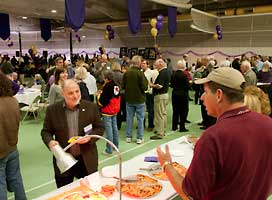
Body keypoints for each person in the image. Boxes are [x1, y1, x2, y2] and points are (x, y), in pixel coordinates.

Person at [157, 67, 272, 200]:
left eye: (205, 92)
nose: (201, 97)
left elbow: (190, 194)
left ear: (219, 95)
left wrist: (166, 165)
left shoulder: (214, 137)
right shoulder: (268, 123)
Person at [41, 79, 104, 188]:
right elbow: (46, 131)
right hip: (65, 159)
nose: (75, 96)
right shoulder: (53, 110)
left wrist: (89, 138)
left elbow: (100, 128)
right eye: (70, 93)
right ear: (62, 94)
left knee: (91, 191)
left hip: (86, 159)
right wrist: (50, 141)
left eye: (77, 91)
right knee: (64, 192)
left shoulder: (91, 107)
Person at [0, 72, 26, 200]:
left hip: (1, 151)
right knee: (16, 179)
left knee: (1, 183)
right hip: (12, 147)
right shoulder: (13, 101)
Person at [122, 55, 148, 144]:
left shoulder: (127, 73)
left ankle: (128, 137)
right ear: (139, 63)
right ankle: (139, 138)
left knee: (129, 118)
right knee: (140, 119)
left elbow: (123, 86)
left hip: (129, 99)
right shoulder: (140, 73)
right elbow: (144, 87)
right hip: (140, 99)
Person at [96, 70, 121, 155]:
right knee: (115, 128)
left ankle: (109, 149)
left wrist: (98, 96)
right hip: (115, 109)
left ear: (106, 78)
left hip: (107, 111)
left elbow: (103, 100)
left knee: (109, 130)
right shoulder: (116, 85)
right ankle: (115, 146)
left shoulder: (107, 86)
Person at [150, 58, 171, 140]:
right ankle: (163, 129)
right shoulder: (167, 71)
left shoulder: (162, 73)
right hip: (165, 94)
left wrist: (152, 85)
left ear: (161, 64)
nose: (155, 66)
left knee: (159, 114)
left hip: (160, 95)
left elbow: (159, 86)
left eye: (156, 64)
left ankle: (160, 133)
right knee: (163, 113)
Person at [170, 59, 190, 132]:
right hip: (183, 94)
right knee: (183, 111)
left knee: (175, 111)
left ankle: (174, 126)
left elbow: (171, 85)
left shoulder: (173, 74)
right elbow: (187, 86)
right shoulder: (184, 75)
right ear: (184, 66)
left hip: (174, 93)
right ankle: (182, 127)